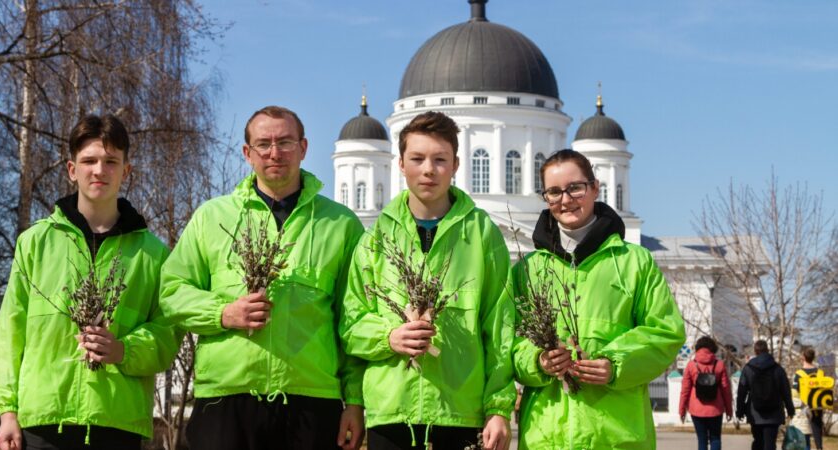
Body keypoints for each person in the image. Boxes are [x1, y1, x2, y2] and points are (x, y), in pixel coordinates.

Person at [159, 106, 366, 450]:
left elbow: (354, 320)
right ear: (247, 153)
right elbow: (172, 292)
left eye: (285, 142)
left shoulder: (341, 225)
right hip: (225, 399)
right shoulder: (212, 218)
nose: (275, 152)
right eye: (263, 144)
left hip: (312, 402)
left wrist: (355, 401)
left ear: (303, 147)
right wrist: (223, 313)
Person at [0, 114, 176, 450]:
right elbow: (10, 332)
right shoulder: (35, 243)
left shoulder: (154, 254)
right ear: (72, 170)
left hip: (117, 423)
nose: (99, 170)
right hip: (42, 422)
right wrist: (7, 413)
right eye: (89, 160)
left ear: (126, 171)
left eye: (111, 161)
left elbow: (167, 335)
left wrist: (124, 350)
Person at [339, 111, 515, 450]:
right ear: (401, 164)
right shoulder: (375, 238)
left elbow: (500, 328)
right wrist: (389, 337)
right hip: (391, 412)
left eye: (440, 159)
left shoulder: (481, 236)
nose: (428, 169)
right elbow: (351, 323)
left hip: (459, 412)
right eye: (417, 158)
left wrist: (498, 407)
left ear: (456, 164)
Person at [511, 149, 686, 449]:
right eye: (554, 192)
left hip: (616, 435)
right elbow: (507, 340)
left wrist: (616, 364)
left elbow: (666, 332)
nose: (565, 200)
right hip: (546, 436)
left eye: (575, 188)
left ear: (595, 188)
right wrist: (538, 362)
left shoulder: (634, 262)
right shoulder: (528, 270)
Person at [736, 340, 795, 450]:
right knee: (770, 443)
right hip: (774, 413)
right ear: (767, 350)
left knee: (758, 441)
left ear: (755, 351)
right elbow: (786, 391)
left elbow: (741, 392)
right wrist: (790, 409)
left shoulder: (748, 368)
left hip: (755, 413)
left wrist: (740, 410)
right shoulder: (778, 369)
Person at [679, 336, 734, 450]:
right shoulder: (719, 365)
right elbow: (726, 389)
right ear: (713, 348)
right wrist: (729, 409)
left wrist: (682, 410)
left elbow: (685, 390)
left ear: (697, 348)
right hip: (716, 409)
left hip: (696, 409)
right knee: (715, 439)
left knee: (702, 440)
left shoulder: (691, 365)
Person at [792, 347, 823, 450]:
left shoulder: (799, 374)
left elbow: (794, 393)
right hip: (817, 406)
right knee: (817, 431)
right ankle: (819, 447)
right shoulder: (820, 373)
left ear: (803, 357)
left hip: (804, 408)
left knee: (804, 433)